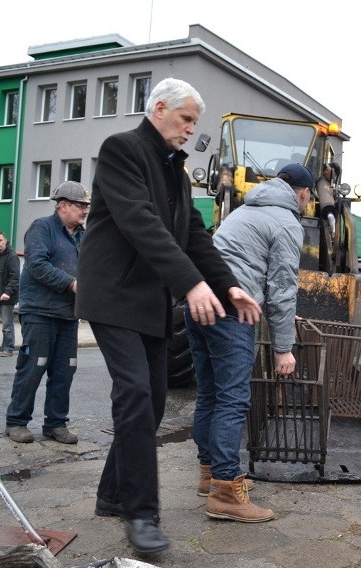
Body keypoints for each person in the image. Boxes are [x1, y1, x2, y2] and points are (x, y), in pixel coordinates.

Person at [75, 78, 262, 555]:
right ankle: (141, 516)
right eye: (186, 120)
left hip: (151, 302)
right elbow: (141, 222)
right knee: (135, 393)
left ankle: (111, 494)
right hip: (114, 295)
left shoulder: (176, 172)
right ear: (159, 109)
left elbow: (194, 236)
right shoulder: (122, 150)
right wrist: (190, 284)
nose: (190, 130)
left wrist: (228, 284)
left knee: (154, 401)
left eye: (194, 122)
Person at [188, 162, 312, 523]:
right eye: (307, 197)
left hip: (198, 302)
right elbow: (282, 287)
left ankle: (209, 474)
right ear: (303, 193)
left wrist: (283, 319)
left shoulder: (244, 210)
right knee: (233, 397)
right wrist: (284, 348)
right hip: (231, 311)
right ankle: (226, 491)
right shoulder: (288, 221)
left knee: (209, 393)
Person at [5, 181, 88, 446]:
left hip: (68, 315)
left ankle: (55, 424)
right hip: (40, 312)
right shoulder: (42, 228)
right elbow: (37, 264)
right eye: (80, 206)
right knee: (33, 367)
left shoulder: (83, 236)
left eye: (87, 206)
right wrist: (72, 283)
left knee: (65, 371)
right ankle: (16, 422)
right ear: (63, 206)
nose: (85, 210)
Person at [315, 162, 339, 235]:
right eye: (325, 170)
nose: (326, 172)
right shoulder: (322, 182)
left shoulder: (332, 184)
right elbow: (326, 197)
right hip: (326, 212)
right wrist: (329, 212)